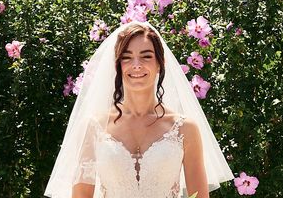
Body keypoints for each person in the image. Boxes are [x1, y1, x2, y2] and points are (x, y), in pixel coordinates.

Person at [44, 21, 234, 198]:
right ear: (118, 65)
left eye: (146, 56)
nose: (136, 65)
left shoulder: (185, 129)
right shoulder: (94, 127)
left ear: (160, 63)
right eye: (127, 57)